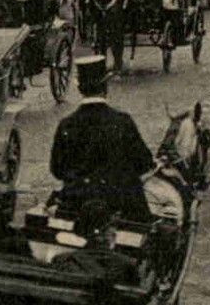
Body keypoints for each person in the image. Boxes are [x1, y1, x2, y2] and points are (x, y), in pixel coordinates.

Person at [49, 56, 155, 225]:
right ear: (105, 86)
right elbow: (144, 163)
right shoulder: (122, 121)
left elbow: (57, 170)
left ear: (79, 88)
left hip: (75, 204)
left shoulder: (66, 124)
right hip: (121, 205)